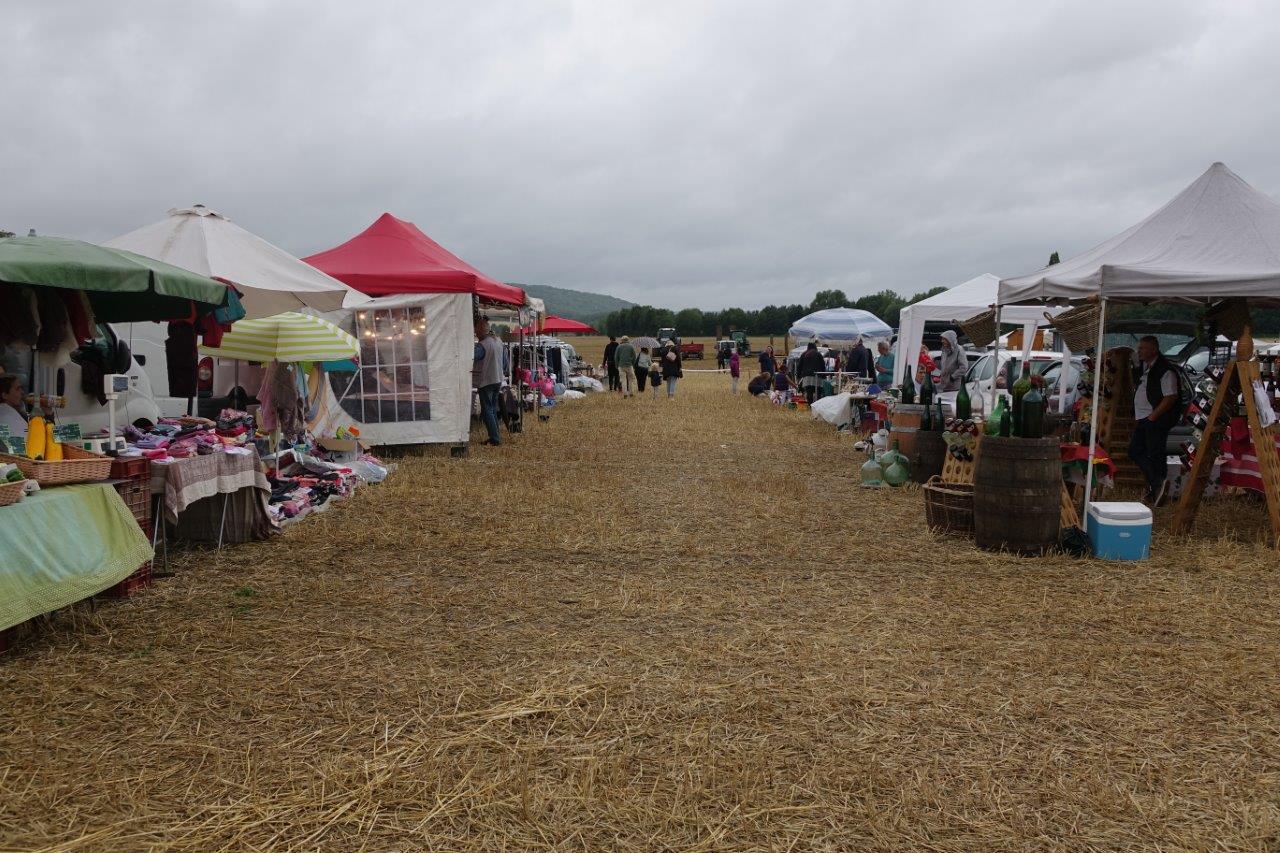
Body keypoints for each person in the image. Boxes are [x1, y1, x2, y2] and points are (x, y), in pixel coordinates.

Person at [1131, 335, 1180, 506]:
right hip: (1144, 417)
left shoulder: (1165, 369)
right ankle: (1156, 484)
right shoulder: (1147, 367)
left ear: (1153, 349)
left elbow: (1170, 396)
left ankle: (1158, 487)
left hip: (1154, 419)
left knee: (1155, 453)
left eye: (1143, 348)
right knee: (1137, 451)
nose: (1140, 351)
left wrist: (1153, 416)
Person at [473, 317, 505, 446]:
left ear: (480, 331)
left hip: (487, 380)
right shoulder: (498, 341)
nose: (476, 334)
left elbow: (473, 356)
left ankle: (495, 438)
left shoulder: (483, 345)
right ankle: (496, 435)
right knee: (492, 408)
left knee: (487, 410)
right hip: (497, 379)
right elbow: (504, 361)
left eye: (476, 332)